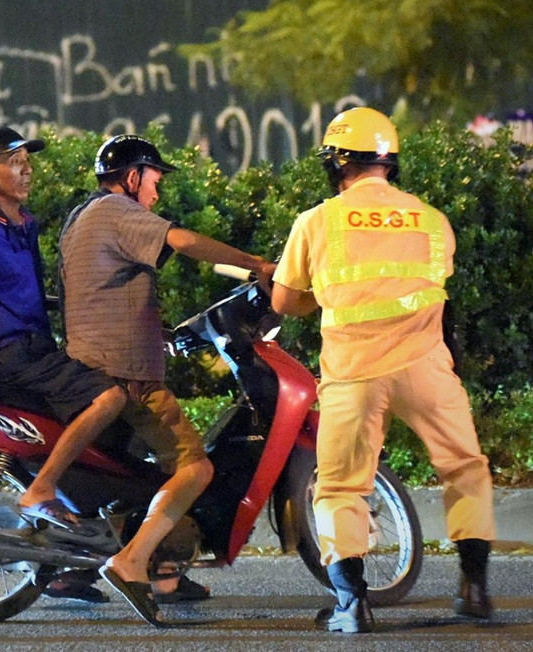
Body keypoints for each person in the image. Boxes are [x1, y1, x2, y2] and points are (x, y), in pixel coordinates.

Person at [271, 106, 496, 633]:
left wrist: (314, 297)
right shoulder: (432, 220)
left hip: (355, 373)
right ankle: (474, 589)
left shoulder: (317, 221)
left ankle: (354, 604)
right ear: (389, 161)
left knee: (343, 487)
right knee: (465, 467)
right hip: (426, 367)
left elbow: (285, 302)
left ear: (337, 163)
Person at [59, 134, 275, 626]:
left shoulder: (84, 216)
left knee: (133, 476)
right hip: (127, 375)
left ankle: (155, 567)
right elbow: (183, 240)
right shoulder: (117, 209)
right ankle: (132, 561)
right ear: (132, 177)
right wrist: (257, 264)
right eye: (153, 181)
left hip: (93, 366)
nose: (156, 194)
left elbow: (112, 289)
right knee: (195, 469)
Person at [0, 125, 128, 602]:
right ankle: (40, 490)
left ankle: (69, 571)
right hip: (13, 357)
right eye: (13, 161)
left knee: (109, 446)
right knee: (111, 397)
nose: (26, 169)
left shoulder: (24, 223)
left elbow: (23, 294)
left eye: (27, 160)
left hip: (41, 350)